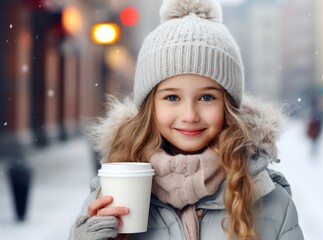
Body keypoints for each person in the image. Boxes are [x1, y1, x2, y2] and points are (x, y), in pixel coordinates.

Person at [69, 0, 304, 239]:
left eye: (206, 97)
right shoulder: (110, 193)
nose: (190, 115)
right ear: (151, 106)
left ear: (228, 105)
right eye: (172, 97)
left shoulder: (268, 199)